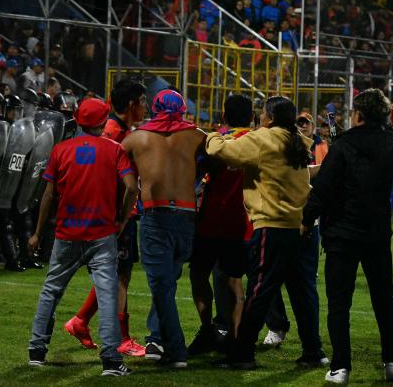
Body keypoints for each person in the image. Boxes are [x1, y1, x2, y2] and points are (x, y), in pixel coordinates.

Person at [26, 98, 138, 377]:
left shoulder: (61, 150)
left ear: (78, 120)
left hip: (66, 232)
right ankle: (111, 362)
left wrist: (38, 232)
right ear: (103, 121)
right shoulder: (115, 150)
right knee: (108, 294)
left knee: (51, 291)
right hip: (101, 233)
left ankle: (37, 352)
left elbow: (48, 195)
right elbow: (131, 187)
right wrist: (122, 219)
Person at [302, 89, 393, 384]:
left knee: (339, 303)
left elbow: (324, 188)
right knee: (384, 300)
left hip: (343, 234)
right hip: (377, 233)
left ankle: (341, 367)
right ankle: (392, 361)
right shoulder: (390, 142)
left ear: (358, 114)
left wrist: (307, 220)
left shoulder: (344, 145)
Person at [206, 96, 312, 369]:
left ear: (271, 118)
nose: (259, 118)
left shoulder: (265, 138)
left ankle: (242, 354)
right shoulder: (297, 139)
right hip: (298, 227)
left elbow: (222, 152)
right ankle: (314, 351)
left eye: (263, 114)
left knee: (259, 293)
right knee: (301, 294)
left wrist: (214, 136)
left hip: (271, 226)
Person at [121, 89, 206, 367]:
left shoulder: (135, 138)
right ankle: (156, 339)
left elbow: (127, 181)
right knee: (166, 284)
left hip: (156, 215)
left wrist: (120, 218)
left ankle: (176, 350)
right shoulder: (199, 137)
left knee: (161, 285)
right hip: (187, 216)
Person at [64, 79, 147, 357]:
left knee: (115, 273)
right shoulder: (113, 133)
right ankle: (122, 338)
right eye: (143, 102)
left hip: (119, 211)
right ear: (132, 104)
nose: (146, 107)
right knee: (118, 275)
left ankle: (80, 321)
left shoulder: (118, 129)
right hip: (114, 214)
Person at [261, 110, 329, 368]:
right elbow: (304, 173)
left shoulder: (306, 145)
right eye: (298, 122)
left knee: (266, 282)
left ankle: (245, 346)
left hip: (293, 223)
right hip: (299, 222)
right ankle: (303, 343)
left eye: (306, 123)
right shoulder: (290, 144)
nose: (302, 126)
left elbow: (309, 175)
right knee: (287, 286)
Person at [187, 94, 253, 355]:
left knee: (199, 274)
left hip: (211, 221)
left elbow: (196, 172)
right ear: (251, 117)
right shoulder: (257, 140)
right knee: (236, 281)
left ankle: (207, 330)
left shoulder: (214, 140)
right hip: (243, 222)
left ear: (224, 115)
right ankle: (235, 340)